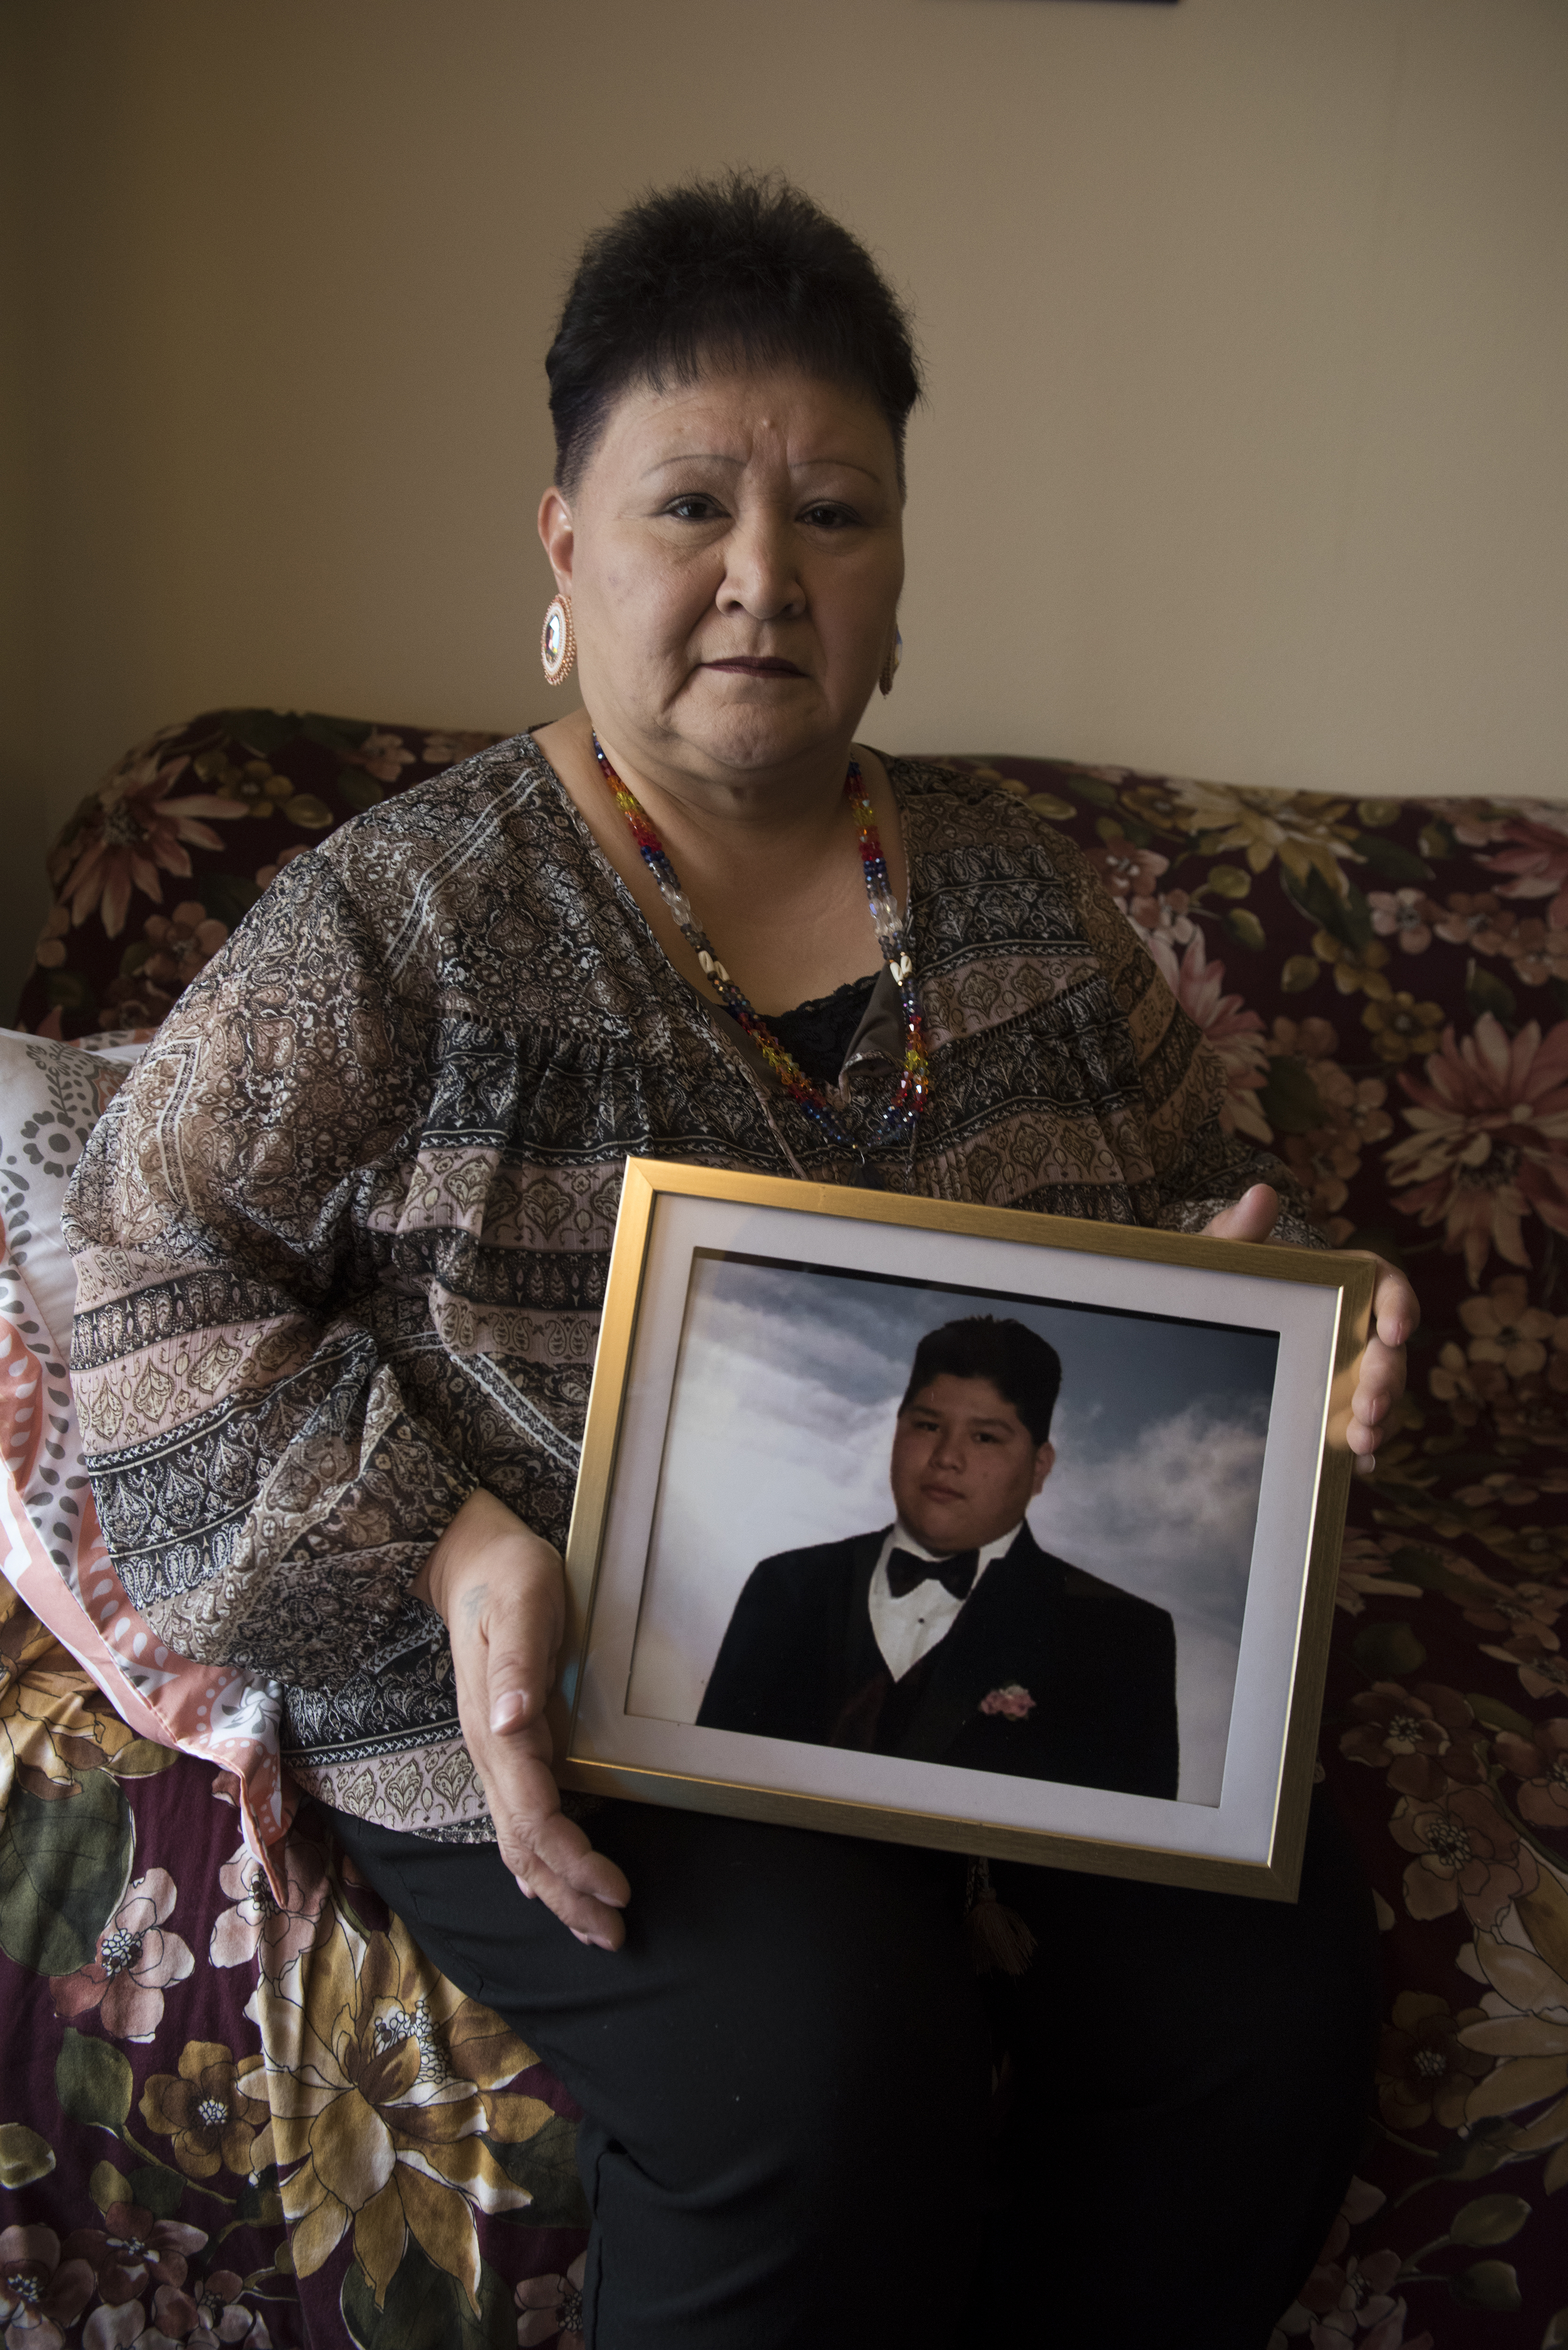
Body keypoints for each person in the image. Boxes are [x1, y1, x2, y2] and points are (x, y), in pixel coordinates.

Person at [65, 172, 1416, 2348]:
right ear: (565, 546)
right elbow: (146, 1273)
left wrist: (1309, 1324)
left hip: (999, 1682)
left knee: (1267, 1994)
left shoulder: (1019, 897)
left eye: (837, 517)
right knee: (822, 2063)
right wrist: (450, 1549)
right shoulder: (391, 920)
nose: (763, 579)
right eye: (688, 504)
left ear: (898, 570)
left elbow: (1212, 1195)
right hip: (574, 1688)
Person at [698, 1314, 1181, 1799]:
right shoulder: (784, 1585)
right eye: (928, 1425)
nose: (947, 1456)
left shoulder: (1121, 1637)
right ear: (896, 1431)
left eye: (985, 1436)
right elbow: (706, 1789)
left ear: (1039, 1467)